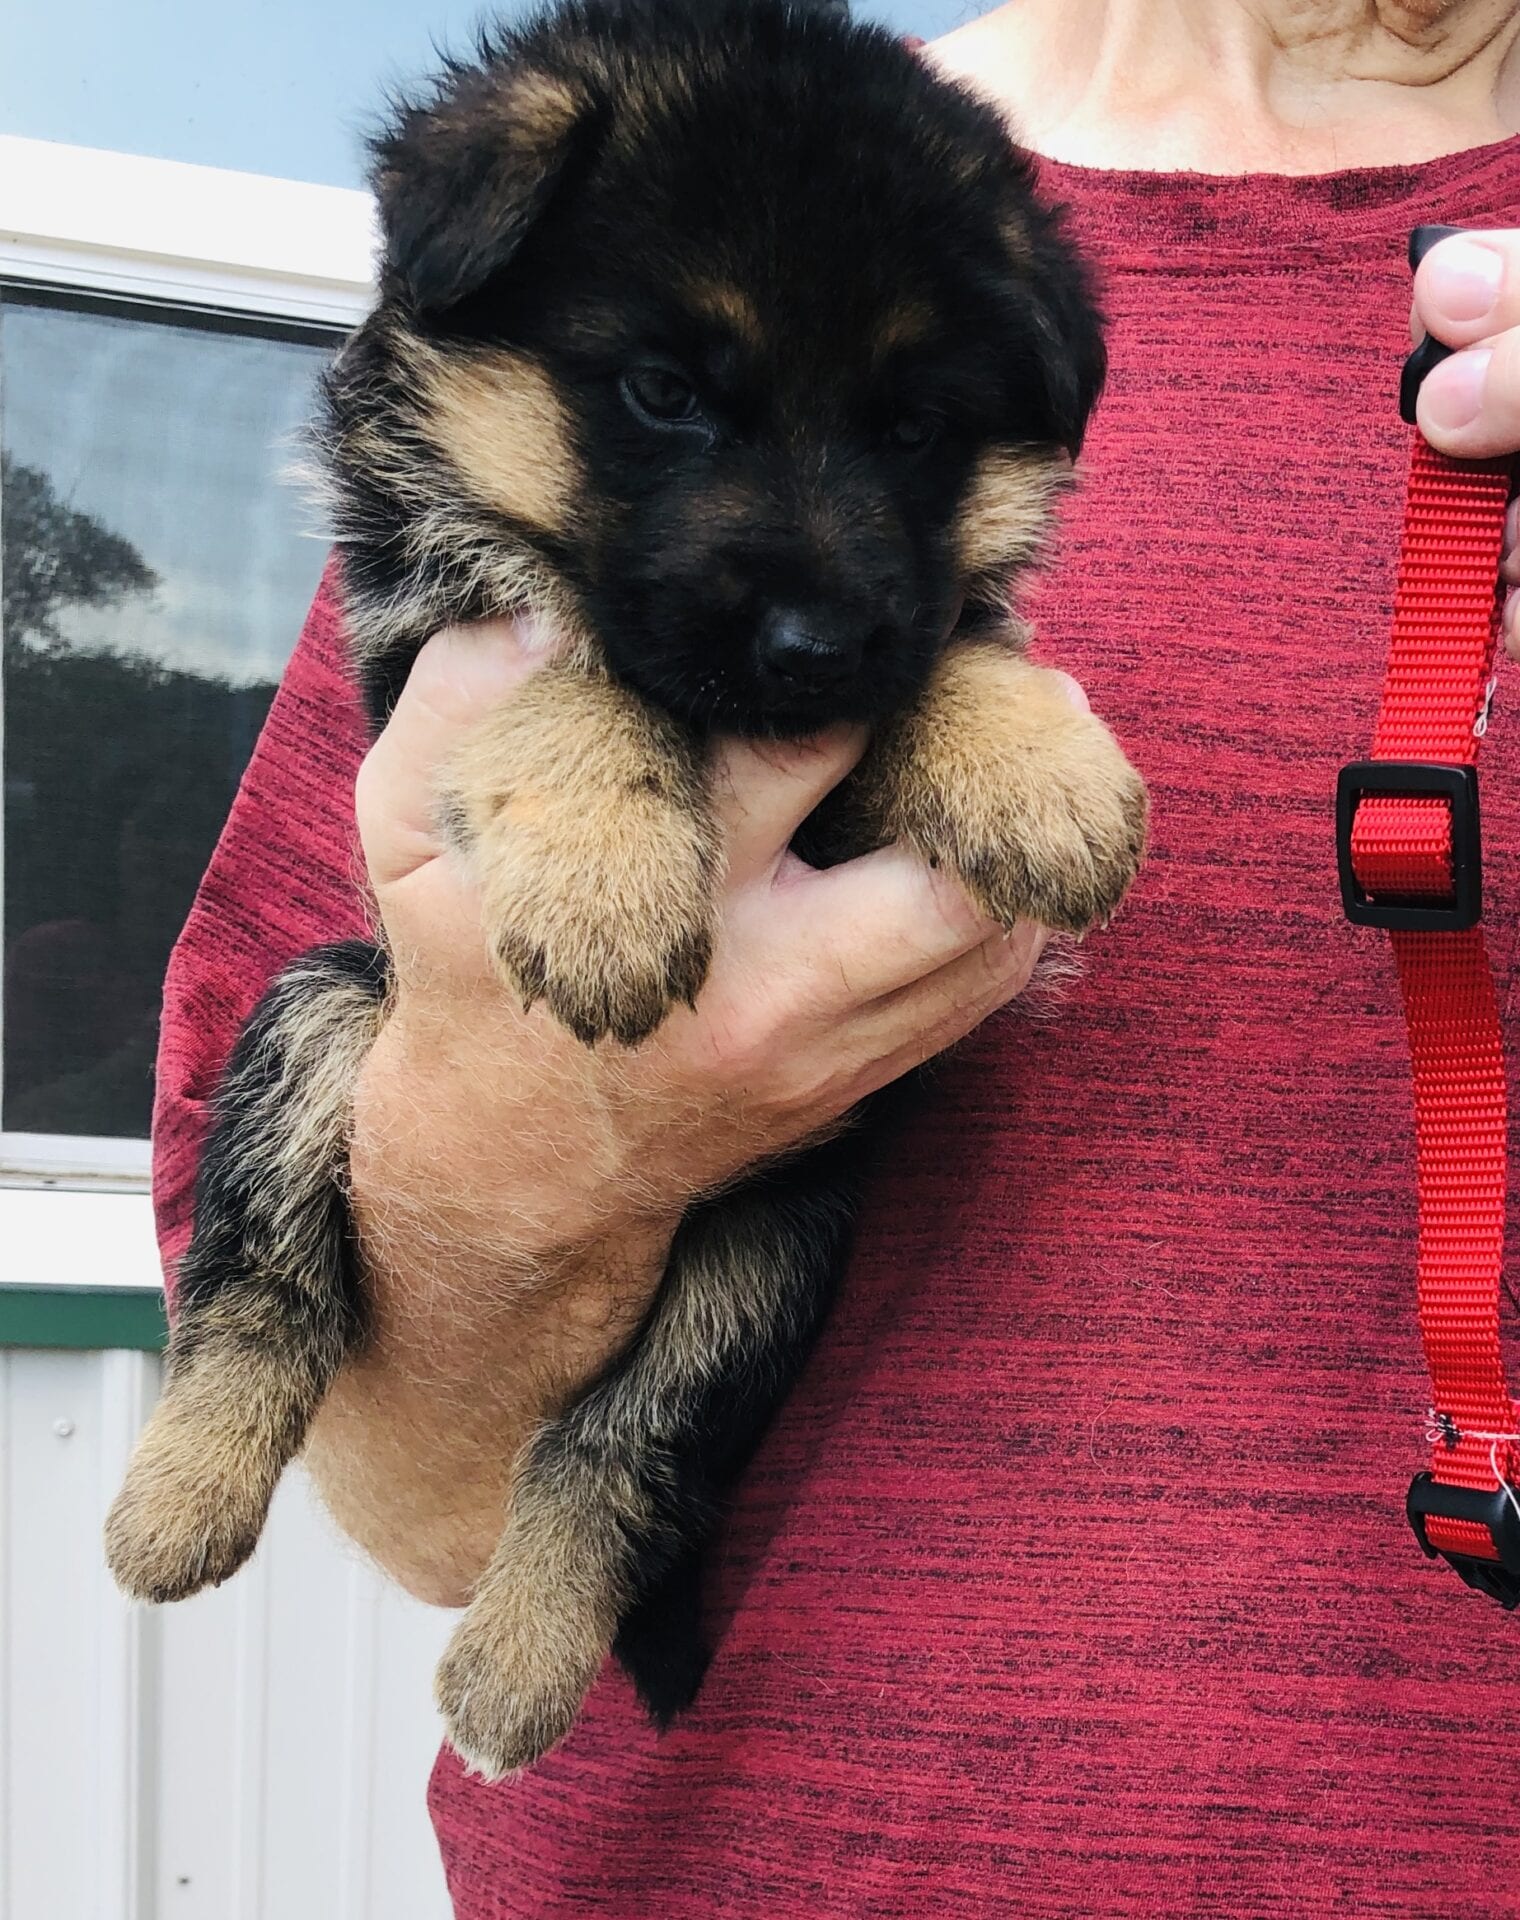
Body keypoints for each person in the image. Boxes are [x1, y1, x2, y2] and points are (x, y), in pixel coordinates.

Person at [152, 2, 1520, 1912]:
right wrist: (544, 1141)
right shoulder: (663, 189)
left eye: (901, 436)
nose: (804, 567)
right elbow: (404, 1492)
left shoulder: (997, 280)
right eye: (663, 402)